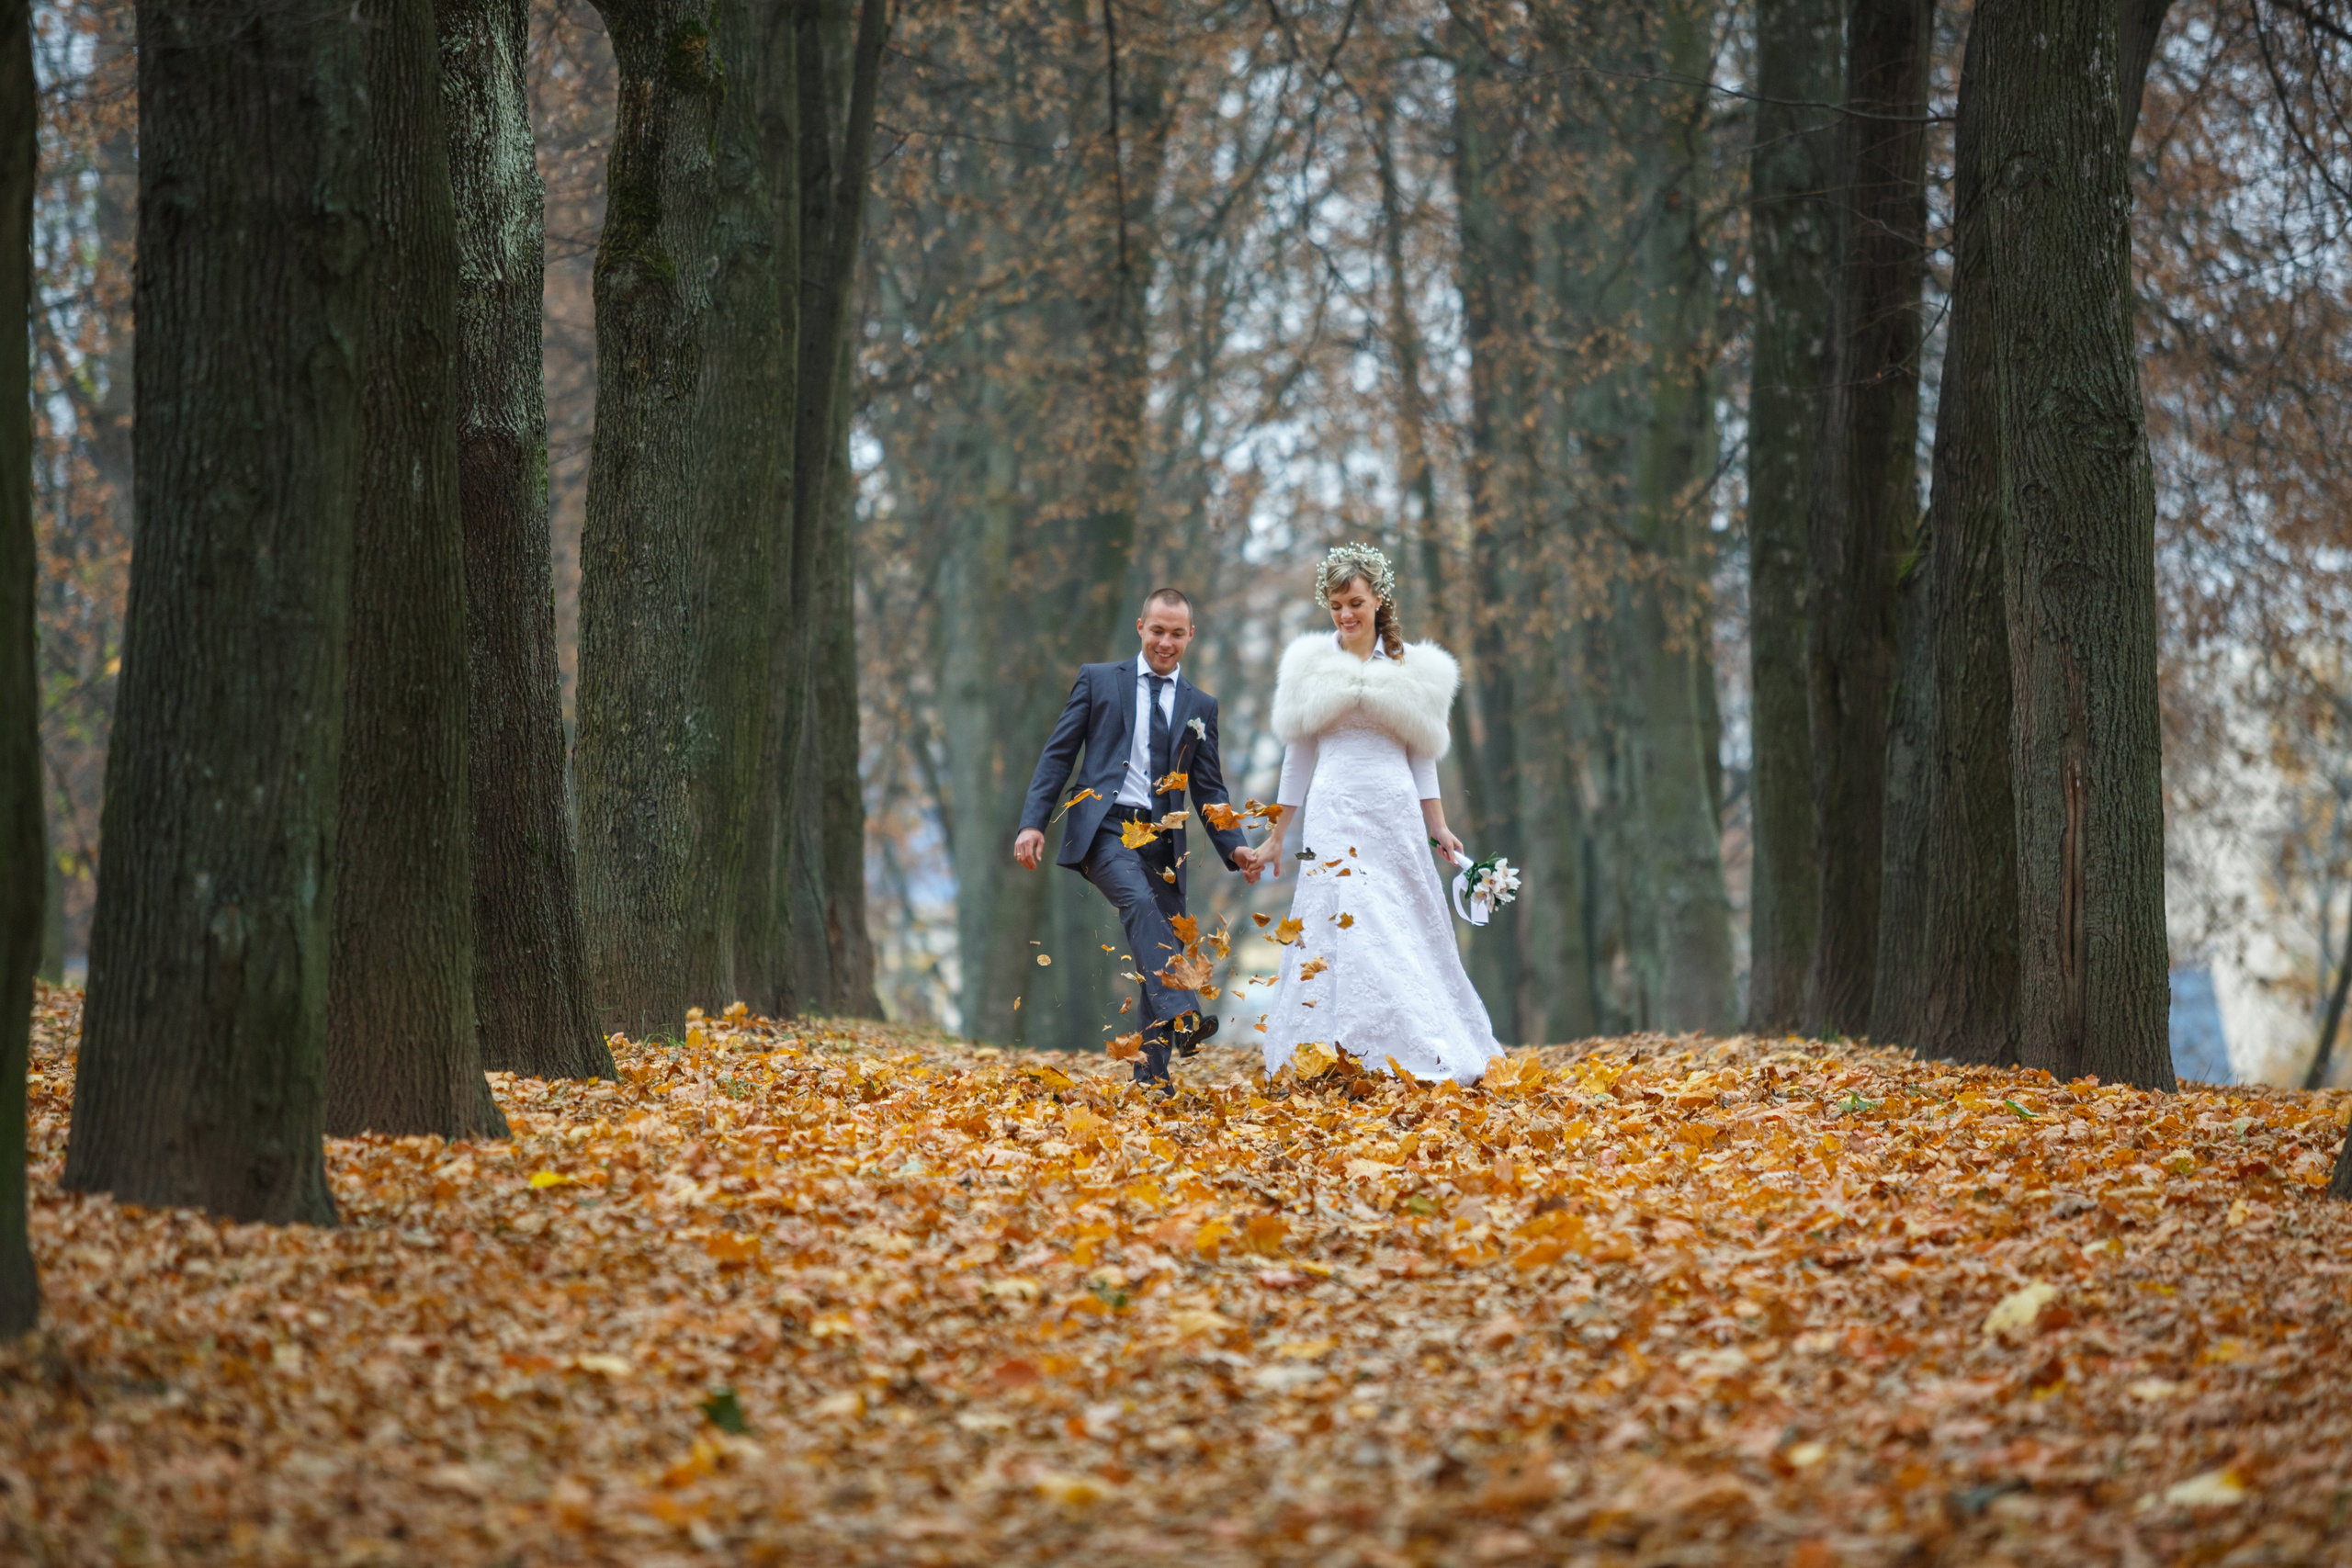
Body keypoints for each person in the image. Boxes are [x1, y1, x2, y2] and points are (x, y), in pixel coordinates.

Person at [1237, 543, 1504, 1085]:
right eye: (1336, 605)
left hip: (1394, 811)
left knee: (1399, 922)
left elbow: (1423, 756)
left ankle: (1412, 1048)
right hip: (1334, 812)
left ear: (1378, 600)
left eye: (1354, 602)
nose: (1346, 614)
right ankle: (1333, 1053)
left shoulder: (1414, 670)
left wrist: (1439, 826)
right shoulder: (1311, 668)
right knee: (1343, 917)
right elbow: (1297, 759)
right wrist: (1275, 837)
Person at [1014, 588, 1257, 1089]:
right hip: (1103, 828)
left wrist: (1234, 844)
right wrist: (1032, 821)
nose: (1164, 642)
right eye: (1156, 631)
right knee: (1141, 907)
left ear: (1189, 635)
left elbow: (1209, 787)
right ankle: (1186, 1014)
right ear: (1140, 627)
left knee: (1160, 938)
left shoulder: (1200, 706)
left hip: (1164, 841)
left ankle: (1152, 1079)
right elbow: (1058, 755)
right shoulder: (1099, 680)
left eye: (1175, 634)